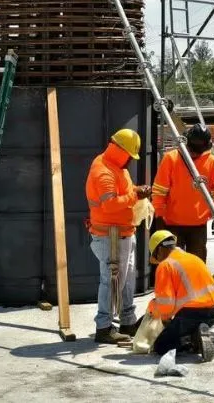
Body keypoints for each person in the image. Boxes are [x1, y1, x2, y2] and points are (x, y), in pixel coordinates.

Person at [86, 128, 149, 344]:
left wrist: (136, 191)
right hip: (110, 235)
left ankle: (127, 321)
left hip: (123, 233)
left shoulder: (116, 167)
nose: (131, 161)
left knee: (126, 280)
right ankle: (104, 327)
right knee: (112, 282)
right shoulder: (103, 171)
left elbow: (125, 192)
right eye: (130, 156)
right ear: (120, 150)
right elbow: (111, 205)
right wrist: (135, 194)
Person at [147, 229, 214, 362]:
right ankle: (196, 333)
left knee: (161, 346)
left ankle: (188, 339)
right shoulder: (193, 258)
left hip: (192, 315)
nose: (157, 261)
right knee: (186, 324)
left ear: (159, 250)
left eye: (156, 256)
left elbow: (166, 306)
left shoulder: (165, 265)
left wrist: (156, 311)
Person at [151, 124, 214, 262]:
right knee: (172, 266)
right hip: (171, 224)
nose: (195, 154)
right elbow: (159, 191)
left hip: (198, 226)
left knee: (197, 266)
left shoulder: (212, 162)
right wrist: (159, 217)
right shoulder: (171, 159)